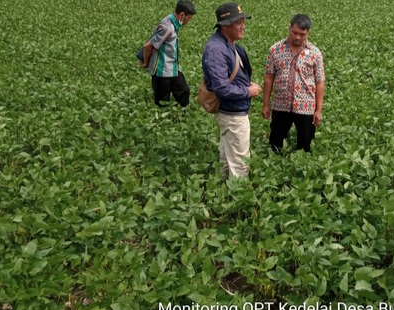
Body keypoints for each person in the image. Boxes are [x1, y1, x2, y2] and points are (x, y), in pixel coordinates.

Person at [202, 3, 261, 178]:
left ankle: (222, 189)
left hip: (233, 110)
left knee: (227, 156)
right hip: (232, 113)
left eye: (243, 21)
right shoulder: (216, 50)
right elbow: (222, 88)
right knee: (240, 162)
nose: (243, 26)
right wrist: (249, 91)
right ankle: (237, 197)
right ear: (225, 25)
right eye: (238, 22)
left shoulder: (228, 43)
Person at [262, 14, 325, 153]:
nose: (297, 37)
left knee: (305, 145)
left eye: (302, 34)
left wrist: (318, 110)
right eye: (294, 32)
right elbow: (269, 77)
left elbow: (319, 82)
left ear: (308, 32)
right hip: (280, 104)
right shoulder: (275, 50)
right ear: (289, 28)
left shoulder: (315, 53)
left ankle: (301, 171)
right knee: (276, 143)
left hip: (306, 106)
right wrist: (266, 104)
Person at [139, 0, 196, 107]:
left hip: (173, 67)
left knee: (184, 92)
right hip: (161, 70)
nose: (189, 21)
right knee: (162, 101)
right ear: (182, 15)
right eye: (189, 18)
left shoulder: (173, 21)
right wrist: (146, 62)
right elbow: (148, 46)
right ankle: (163, 121)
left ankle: (181, 118)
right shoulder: (167, 27)